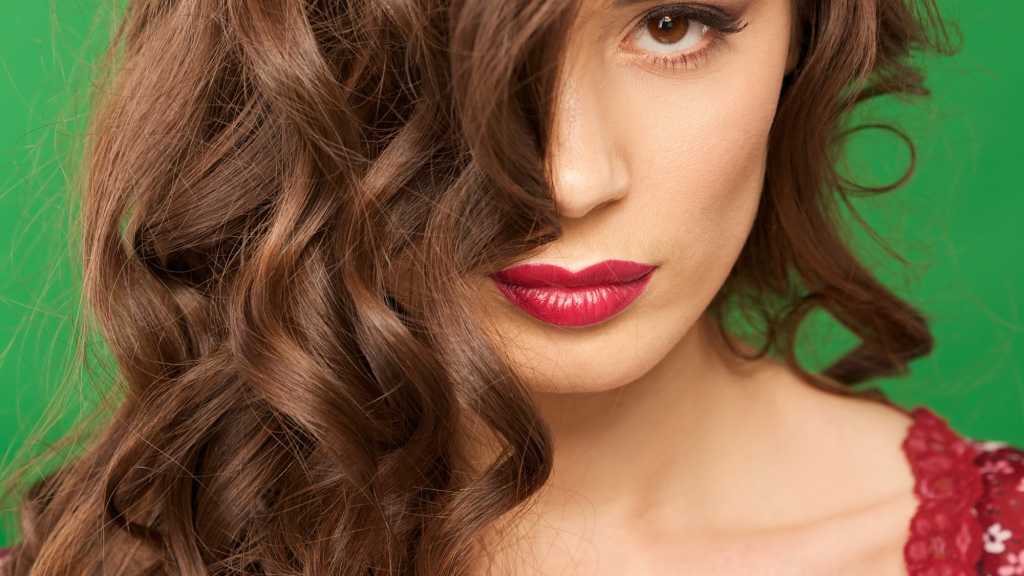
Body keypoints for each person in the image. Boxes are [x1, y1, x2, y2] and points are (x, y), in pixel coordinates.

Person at [0, 0, 1020, 574]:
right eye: (455, 33)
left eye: (673, 24)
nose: (570, 179)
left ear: (805, 39)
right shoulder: (122, 551)